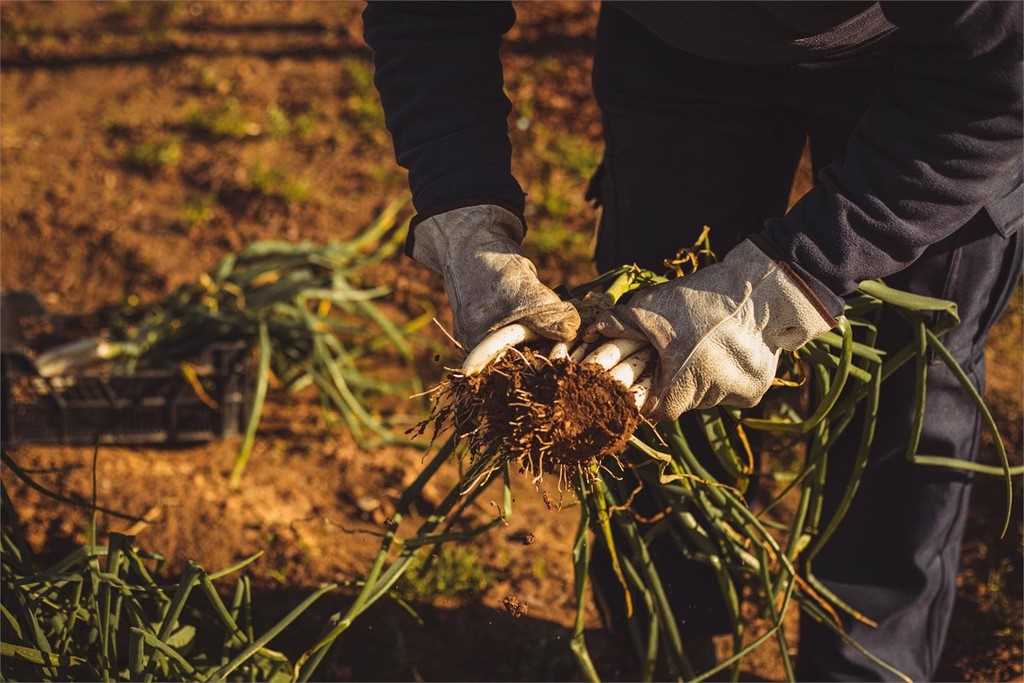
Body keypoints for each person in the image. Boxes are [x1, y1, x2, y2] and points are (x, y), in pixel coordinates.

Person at [363, 2, 1022, 679]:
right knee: (648, 361)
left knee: (907, 381)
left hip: (940, 63)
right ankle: (666, 648)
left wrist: (796, 279)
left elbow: (1003, 76)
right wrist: (463, 218)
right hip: (680, 47)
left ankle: (871, 666)